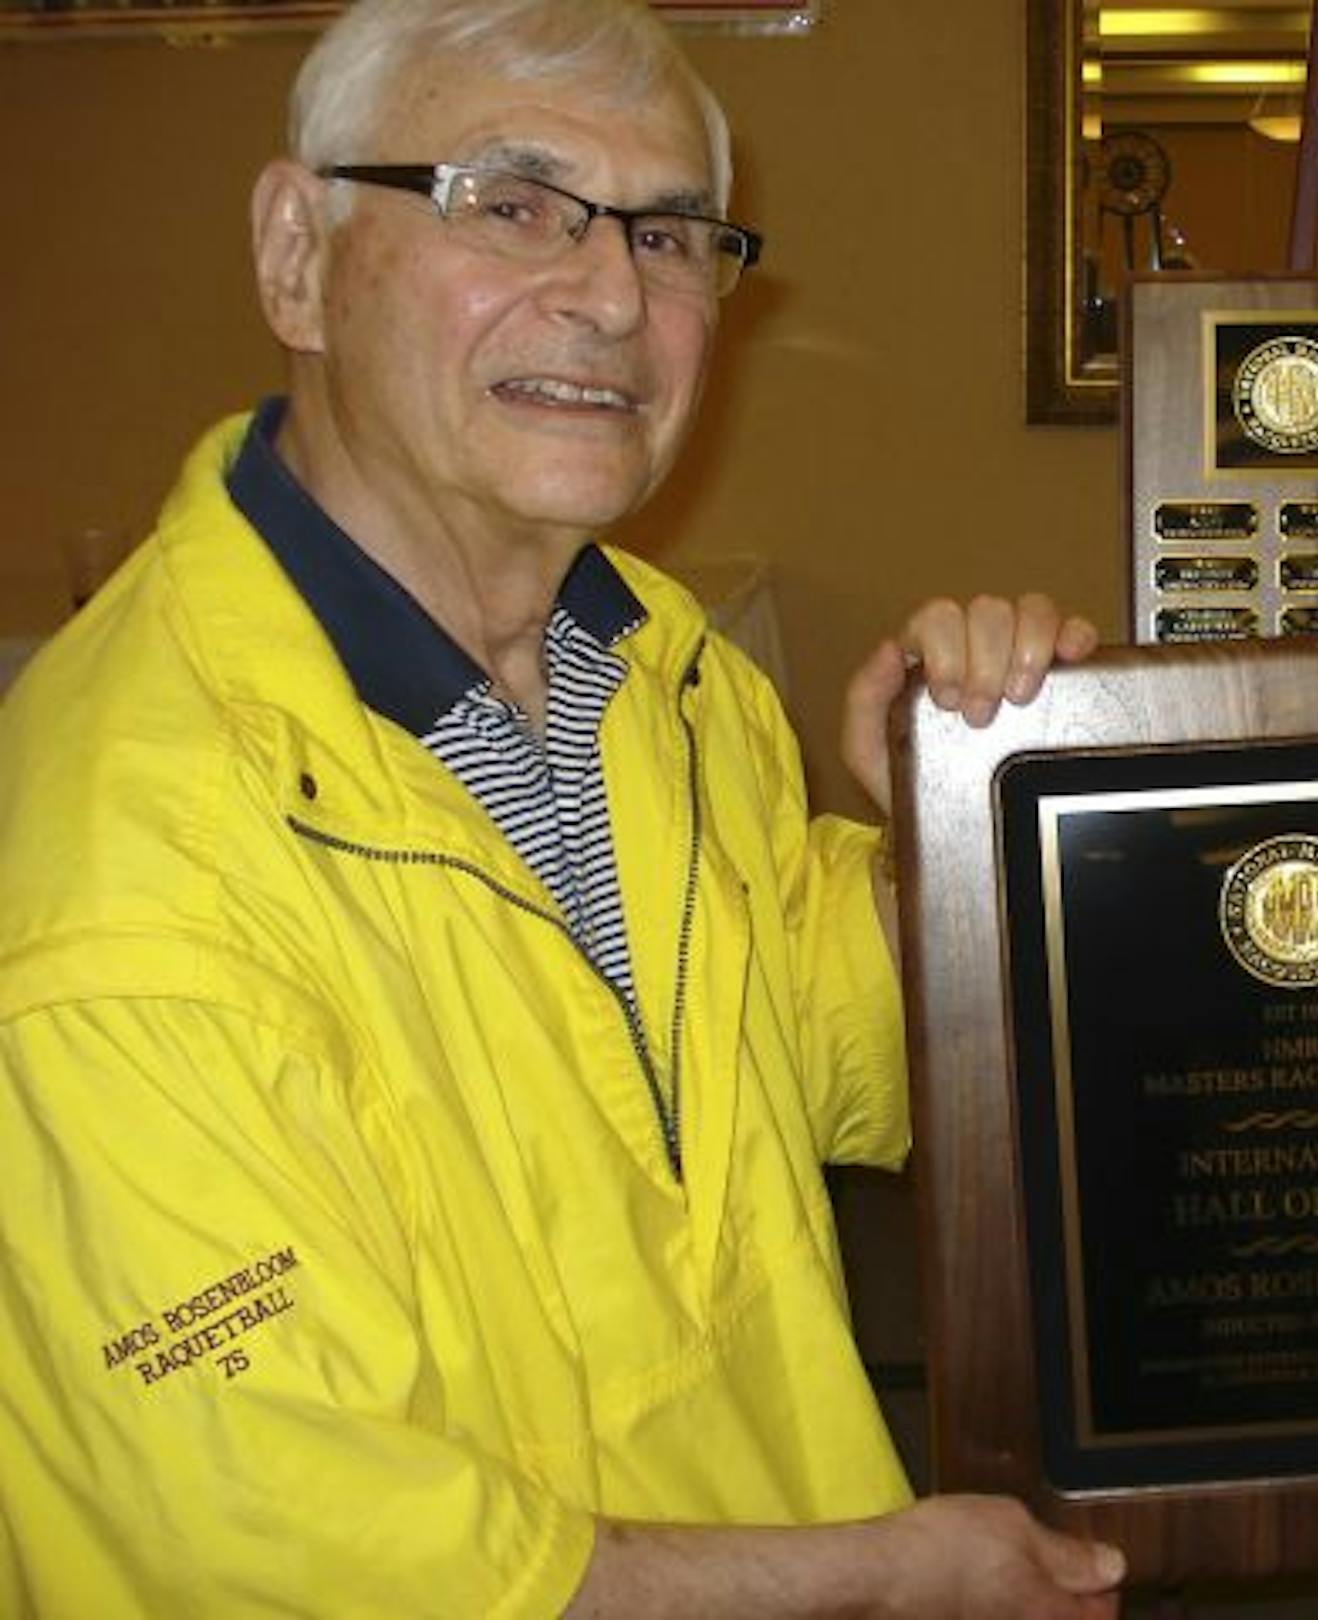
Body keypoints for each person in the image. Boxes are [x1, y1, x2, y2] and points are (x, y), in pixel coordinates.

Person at [0, 1, 1122, 1615]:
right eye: (510, 205)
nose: (610, 296)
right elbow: (257, 1538)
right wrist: (871, 1584)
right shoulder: (124, 872)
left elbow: (822, 1060)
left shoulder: (663, 675)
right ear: (296, 257)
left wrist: (975, 843)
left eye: (669, 236)